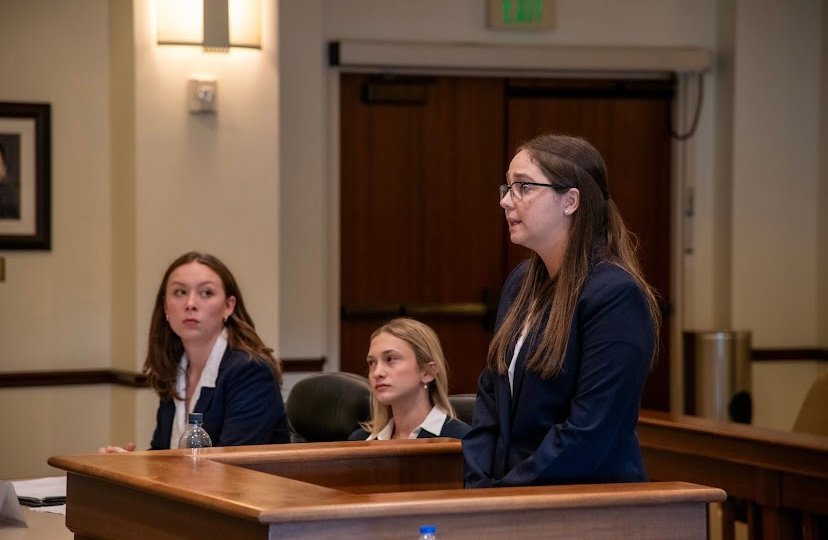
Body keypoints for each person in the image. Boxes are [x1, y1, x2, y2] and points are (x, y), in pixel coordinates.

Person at [463, 134, 661, 487]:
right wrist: (479, 485)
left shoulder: (614, 295)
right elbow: (490, 396)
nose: (507, 202)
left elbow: (590, 431)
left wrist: (506, 495)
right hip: (507, 498)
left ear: (570, 201)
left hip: (585, 504)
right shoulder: (520, 283)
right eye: (507, 188)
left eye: (523, 187)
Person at [100, 252, 290, 452]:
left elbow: (233, 469)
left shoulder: (251, 371)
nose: (190, 304)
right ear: (166, 307)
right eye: (180, 292)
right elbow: (163, 455)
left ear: (228, 306)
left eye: (206, 293)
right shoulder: (173, 368)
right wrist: (129, 465)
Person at [349, 318, 470, 440]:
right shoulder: (359, 441)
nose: (377, 372)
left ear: (428, 372)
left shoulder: (462, 439)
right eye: (372, 362)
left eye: (390, 359)